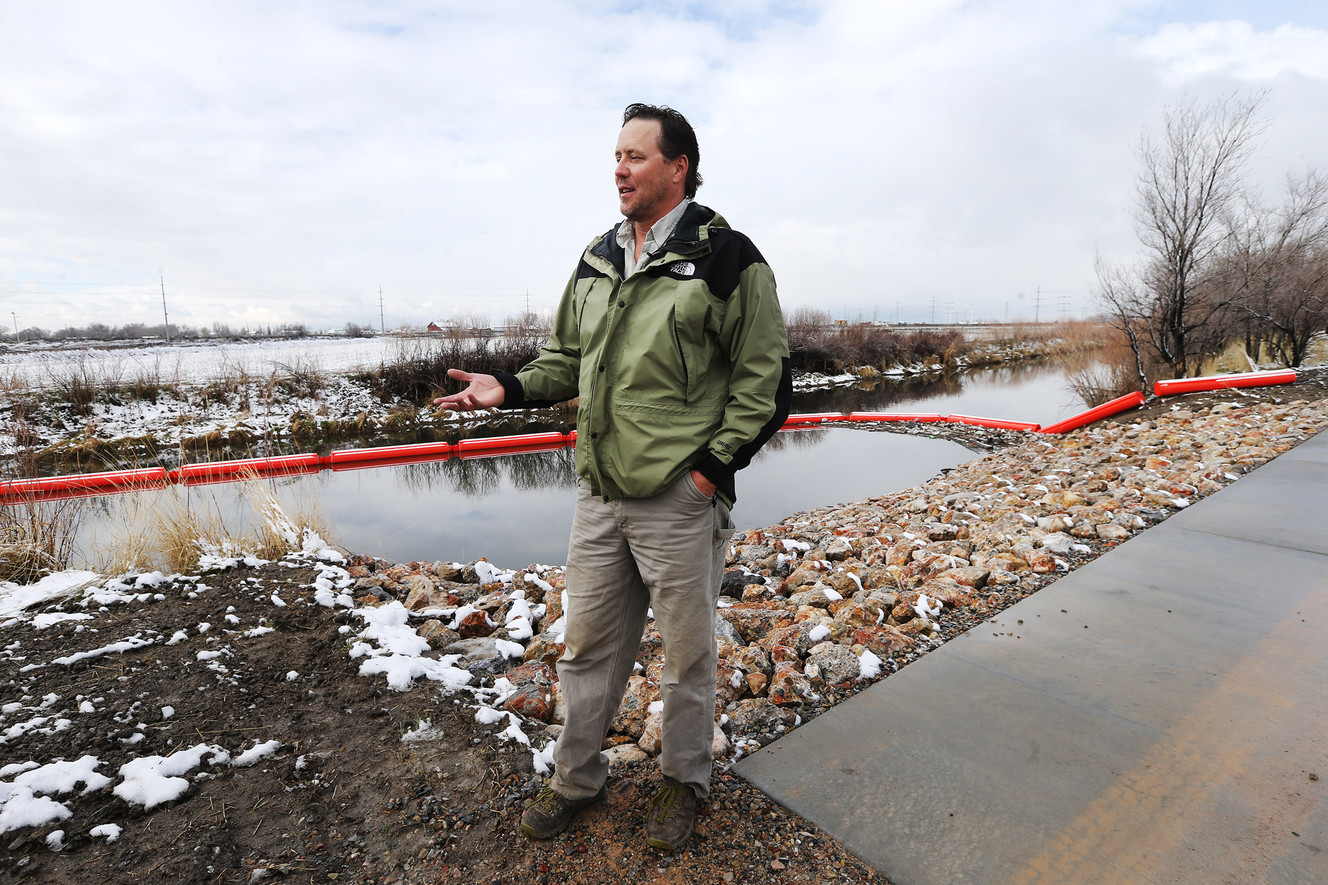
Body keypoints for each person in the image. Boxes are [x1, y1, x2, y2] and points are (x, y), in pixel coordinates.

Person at [434, 102, 790, 851]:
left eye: (634, 156)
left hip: (678, 497)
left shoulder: (729, 258)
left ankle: (683, 781)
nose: (619, 169)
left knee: (687, 654)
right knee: (587, 646)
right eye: (616, 156)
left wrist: (708, 474)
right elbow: (567, 356)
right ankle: (575, 780)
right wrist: (509, 384)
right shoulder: (599, 256)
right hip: (599, 492)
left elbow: (766, 386)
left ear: (678, 166)